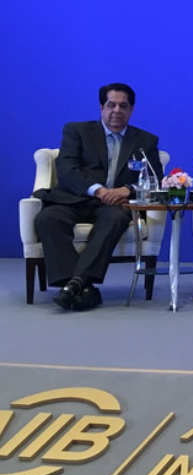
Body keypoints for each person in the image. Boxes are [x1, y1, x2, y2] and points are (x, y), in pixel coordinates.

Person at [34, 83, 162, 311]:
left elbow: (155, 179)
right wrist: (99, 190)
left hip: (115, 205)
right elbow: (67, 170)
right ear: (102, 107)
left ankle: (75, 285)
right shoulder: (77, 131)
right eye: (111, 105)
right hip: (75, 198)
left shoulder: (145, 141)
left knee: (116, 219)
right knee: (48, 219)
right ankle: (81, 287)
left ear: (131, 109)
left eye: (123, 106)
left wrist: (127, 190)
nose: (117, 110)